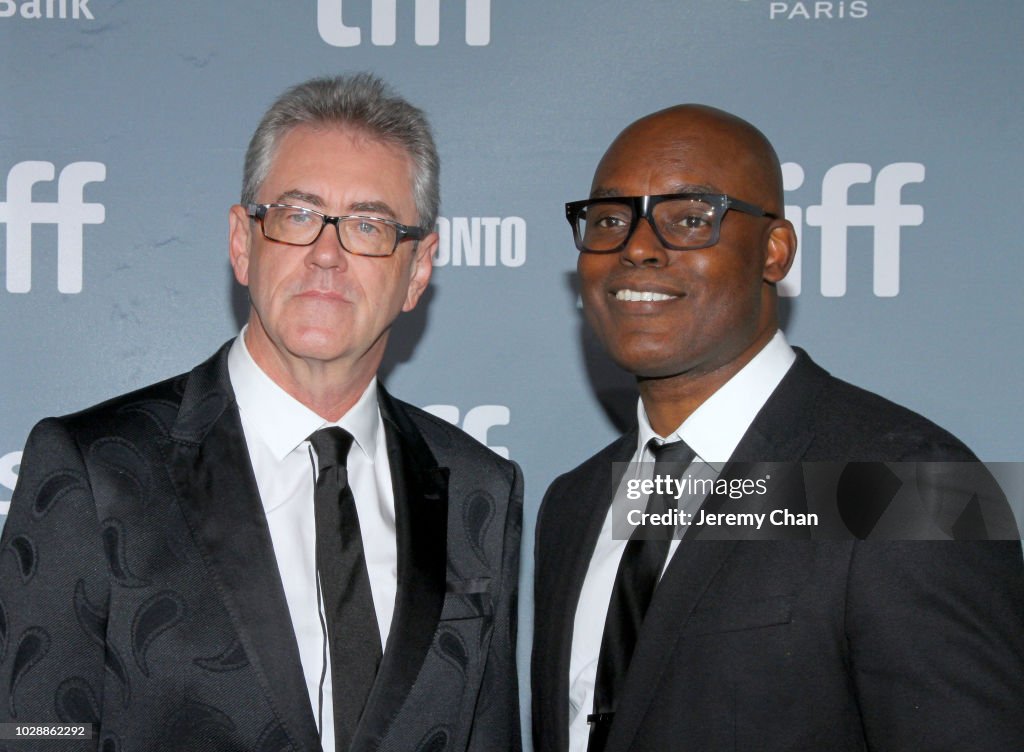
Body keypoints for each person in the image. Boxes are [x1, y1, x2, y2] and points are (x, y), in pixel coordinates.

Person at [0, 74, 522, 752]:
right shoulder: (96, 471)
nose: (327, 255)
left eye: (369, 225)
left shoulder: (478, 488)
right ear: (244, 243)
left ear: (418, 268)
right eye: (298, 216)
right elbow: (32, 733)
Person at [531, 104, 1024, 752]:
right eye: (609, 219)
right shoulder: (574, 502)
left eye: (688, 219)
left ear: (774, 250)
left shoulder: (911, 484)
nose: (638, 247)